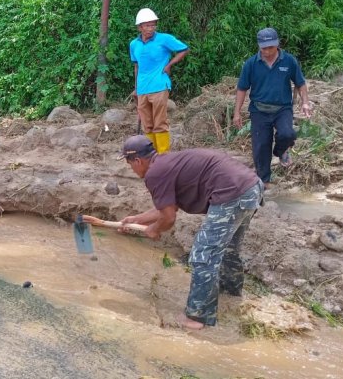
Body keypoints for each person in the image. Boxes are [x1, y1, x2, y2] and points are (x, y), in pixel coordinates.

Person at [86, 135, 263, 330]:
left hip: (232, 195)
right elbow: (168, 207)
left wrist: (153, 230)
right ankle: (230, 292)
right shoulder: (165, 163)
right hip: (251, 187)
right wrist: (137, 219)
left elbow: (169, 218)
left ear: (137, 160)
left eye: (130, 164)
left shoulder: (154, 174)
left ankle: (197, 317)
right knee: (228, 249)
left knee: (202, 255)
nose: (132, 169)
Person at [233, 27, 312, 185]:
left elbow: (300, 83)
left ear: (277, 44)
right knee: (261, 147)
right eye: (264, 48)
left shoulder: (289, 61)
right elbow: (242, 88)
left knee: (287, 134)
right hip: (259, 110)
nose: (267, 51)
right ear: (259, 46)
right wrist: (237, 113)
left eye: (271, 47)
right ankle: (264, 183)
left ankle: (281, 151)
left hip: (283, 109)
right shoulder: (251, 64)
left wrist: (305, 102)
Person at [129, 8, 189, 154]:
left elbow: (184, 49)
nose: (151, 28)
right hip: (143, 88)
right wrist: (136, 88)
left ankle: (163, 156)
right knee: (147, 124)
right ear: (139, 27)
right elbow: (137, 66)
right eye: (147, 25)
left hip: (159, 85)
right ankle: (151, 154)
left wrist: (169, 65)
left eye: (153, 25)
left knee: (160, 123)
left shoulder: (164, 39)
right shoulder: (134, 44)